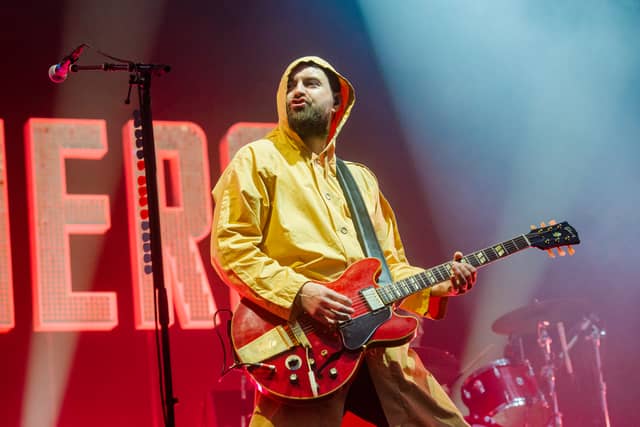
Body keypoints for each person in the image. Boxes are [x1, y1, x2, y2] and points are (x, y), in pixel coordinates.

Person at [211, 56, 477, 427]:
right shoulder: (257, 160)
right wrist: (300, 292)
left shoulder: (361, 180)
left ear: (338, 103)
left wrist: (438, 284)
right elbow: (232, 248)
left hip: (381, 350)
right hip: (307, 349)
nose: (297, 91)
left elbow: (389, 268)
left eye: (311, 83)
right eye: (291, 85)